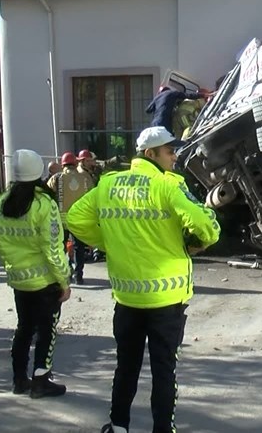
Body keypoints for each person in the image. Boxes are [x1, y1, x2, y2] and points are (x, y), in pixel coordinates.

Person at [67, 126, 220, 433]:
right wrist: (202, 239)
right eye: (169, 151)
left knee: (126, 367)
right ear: (150, 154)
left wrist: (108, 242)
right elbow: (204, 221)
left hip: (127, 300)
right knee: (164, 371)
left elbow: (75, 217)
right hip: (166, 301)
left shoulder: (108, 184)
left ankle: (119, 426)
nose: (174, 156)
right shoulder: (166, 185)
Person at [0, 149, 72, 398]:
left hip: (19, 280)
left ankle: (18, 379)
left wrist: (13, 270)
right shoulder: (43, 205)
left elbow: (1, 245)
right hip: (46, 282)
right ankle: (41, 380)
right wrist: (64, 280)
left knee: (24, 328)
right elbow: (53, 248)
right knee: (47, 330)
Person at [47, 152, 95, 284]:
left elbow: (48, 196)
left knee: (61, 247)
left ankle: (66, 272)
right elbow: (92, 196)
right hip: (79, 219)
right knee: (79, 248)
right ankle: (79, 276)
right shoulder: (86, 178)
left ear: (63, 164)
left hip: (61, 221)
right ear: (75, 163)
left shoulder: (57, 178)